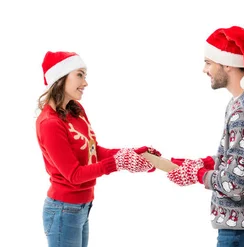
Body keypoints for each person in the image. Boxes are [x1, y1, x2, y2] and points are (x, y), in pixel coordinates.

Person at [165, 26, 244, 247]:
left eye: (208, 62)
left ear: (227, 64)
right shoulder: (241, 101)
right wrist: (202, 163)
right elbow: (240, 158)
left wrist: (197, 175)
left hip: (243, 227)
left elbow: (237, 182)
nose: (204, 69)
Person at [36, 51, 161, 247]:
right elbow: (74, 174)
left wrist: (130, 154)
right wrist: (117, 163)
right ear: (60, 77)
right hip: (63, 210)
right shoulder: (49, 123)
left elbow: (93, 152)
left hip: (82, 207)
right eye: (80, 74)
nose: (85, 83)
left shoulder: (75, 110)